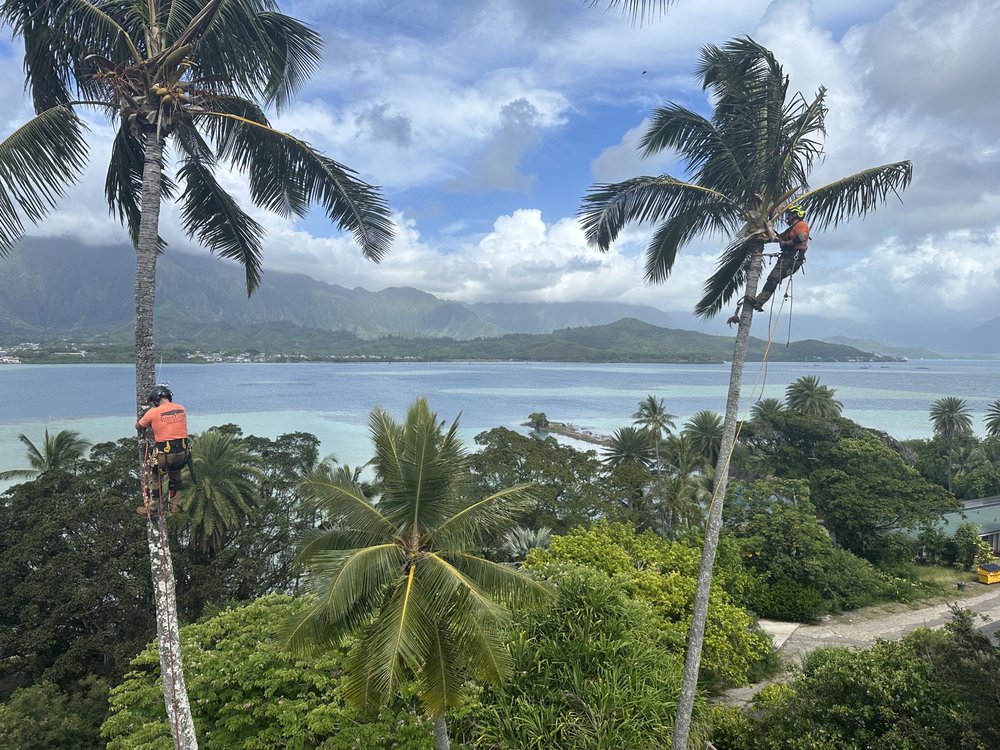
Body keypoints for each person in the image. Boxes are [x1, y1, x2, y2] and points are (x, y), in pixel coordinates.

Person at [136, 384, 192, 514]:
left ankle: (153, 508)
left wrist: (147, 422)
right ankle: (174, 507)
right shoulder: (181, 409)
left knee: (155, 478)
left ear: (156, 400)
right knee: (175, 476)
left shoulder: (153, 412)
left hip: (165, 455)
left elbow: (139, 426)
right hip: (182, 454)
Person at [748, 204, 810, 311]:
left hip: (793, 258)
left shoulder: (801, 225)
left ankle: (759, 301)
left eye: (789, 214)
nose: (787, 217)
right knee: (772, 278)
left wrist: (786, 243)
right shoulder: (791, 229)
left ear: (795, 214)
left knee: (774, 277)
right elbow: (779, 237)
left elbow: (801, 237)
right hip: (787, 257)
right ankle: (759, 301)